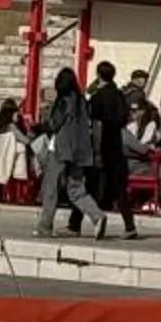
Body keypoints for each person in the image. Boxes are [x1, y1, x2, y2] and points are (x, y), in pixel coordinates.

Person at [35, 67, 109, 238]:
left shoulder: (62, 101)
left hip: (61, 148)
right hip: (81, 150)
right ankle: (97, 215)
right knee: (76, 189)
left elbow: (54, 124)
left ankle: (44, 226)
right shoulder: (82, 102)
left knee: (51, 188)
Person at [88, 60, 131, 212]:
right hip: (116, 142)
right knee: (118, 184)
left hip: (102, 141)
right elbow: (124, 119)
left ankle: (81, 217)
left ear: (99, 75)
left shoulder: (97, 97)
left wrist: (97, 150)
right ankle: (127, 218)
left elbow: (97, 124)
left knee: (95, 180)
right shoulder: (119, 96)